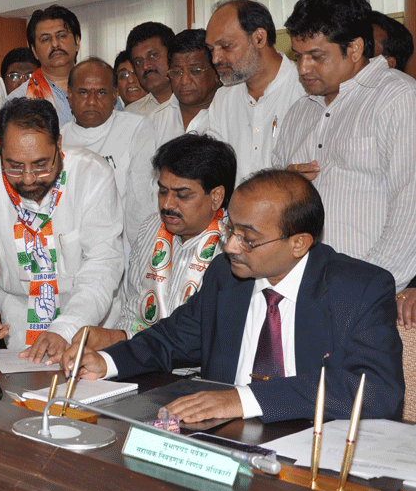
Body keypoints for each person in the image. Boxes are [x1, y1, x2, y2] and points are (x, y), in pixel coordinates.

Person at [61, 169, 403, 424]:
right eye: (231, 230)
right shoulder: (227, 276)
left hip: (313, 451)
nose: (230, 246)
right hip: (224, 440)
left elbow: (375, 392)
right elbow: (171, 339)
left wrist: (245, 400)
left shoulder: (358, 289)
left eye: (248, 238)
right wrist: (107, 361)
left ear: (299, 243)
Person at [0, 98, 123, 359]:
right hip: (21, 340)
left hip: (89, 332)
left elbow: (102, 266)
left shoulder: (91, 176)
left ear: (58, 145)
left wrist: (65, 328)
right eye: (14, 166)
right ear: (0, 150)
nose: (27, 178)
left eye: (40, 165)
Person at [276, 0, 416, 294]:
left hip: (365, 294)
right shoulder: (299, 111)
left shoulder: (399, 98)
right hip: (302, 288)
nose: (303, 68)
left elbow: (411, 207)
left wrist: (365, 288)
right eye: (298, 56)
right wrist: (285, 182)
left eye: (316, 56)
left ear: (354, 48)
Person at [83, 134, 236, 351]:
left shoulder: (233, 246)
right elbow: (132, 314)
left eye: (182, 195)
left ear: (216, 196)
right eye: (163, 191)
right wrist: (112, 339)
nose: (166, 204)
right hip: (143, 362)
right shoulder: (151, 227)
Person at [205, 0, 305, 183]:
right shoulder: (223, 98)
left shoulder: (305, 89)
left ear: (259, 38)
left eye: (225, 46)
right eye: (211, 49)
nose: (215, 58)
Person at [61, 58, 156, 250]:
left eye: (101, 92)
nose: (91, 101)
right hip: (69, 247)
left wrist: (140, 251)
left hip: (125, 248)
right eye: (83, 92)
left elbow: (142, 201)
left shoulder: (136, 128)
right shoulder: (57, 139)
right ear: (69, 96)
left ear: (114, 95)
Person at [7, 5, 80, 126]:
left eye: (61, 36)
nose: (55, 44)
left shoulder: (100, 88)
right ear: (34, 51)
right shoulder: (18, 101)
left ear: (77, 42)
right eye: (46, 39)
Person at [150, 29, 222, 148]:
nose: (184, 81)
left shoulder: (232, 113)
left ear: (216, 73)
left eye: (195, 71)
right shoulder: (155, 119)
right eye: (176, 72)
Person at [124, 22, 175, 117]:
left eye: (153, 55)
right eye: (138, 61)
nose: (145, 66)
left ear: (171, 55)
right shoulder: (130, 116)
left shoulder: (196, 104)